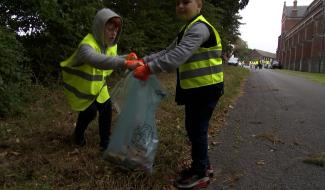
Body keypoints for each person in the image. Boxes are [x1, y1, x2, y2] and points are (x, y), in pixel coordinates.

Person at [133, 0, 224, 188]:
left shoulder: (199, 28)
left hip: (205, 90)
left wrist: (148, 69)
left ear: (199, 5)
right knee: (195, 128)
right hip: (199, 89)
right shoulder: (188, 29)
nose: (180, 6)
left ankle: (200, 173)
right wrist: (144, 60)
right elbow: (168, 51)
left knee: (197, 130)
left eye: (186, 2)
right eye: (177, 3)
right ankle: (204, 165)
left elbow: (176, 56)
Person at [60, 8, 143, 151]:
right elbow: (95, 59)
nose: (113, 33)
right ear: (99, 28)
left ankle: (105, 142)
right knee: (89, 112)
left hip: (99, 87)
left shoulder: (111, 46)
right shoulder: (86, 45)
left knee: (106, 110)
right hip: (82, 89)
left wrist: (126, 57)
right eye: (110, 29)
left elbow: (111, 59)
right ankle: (78, 135)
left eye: (116, 30)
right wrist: (125, 63)